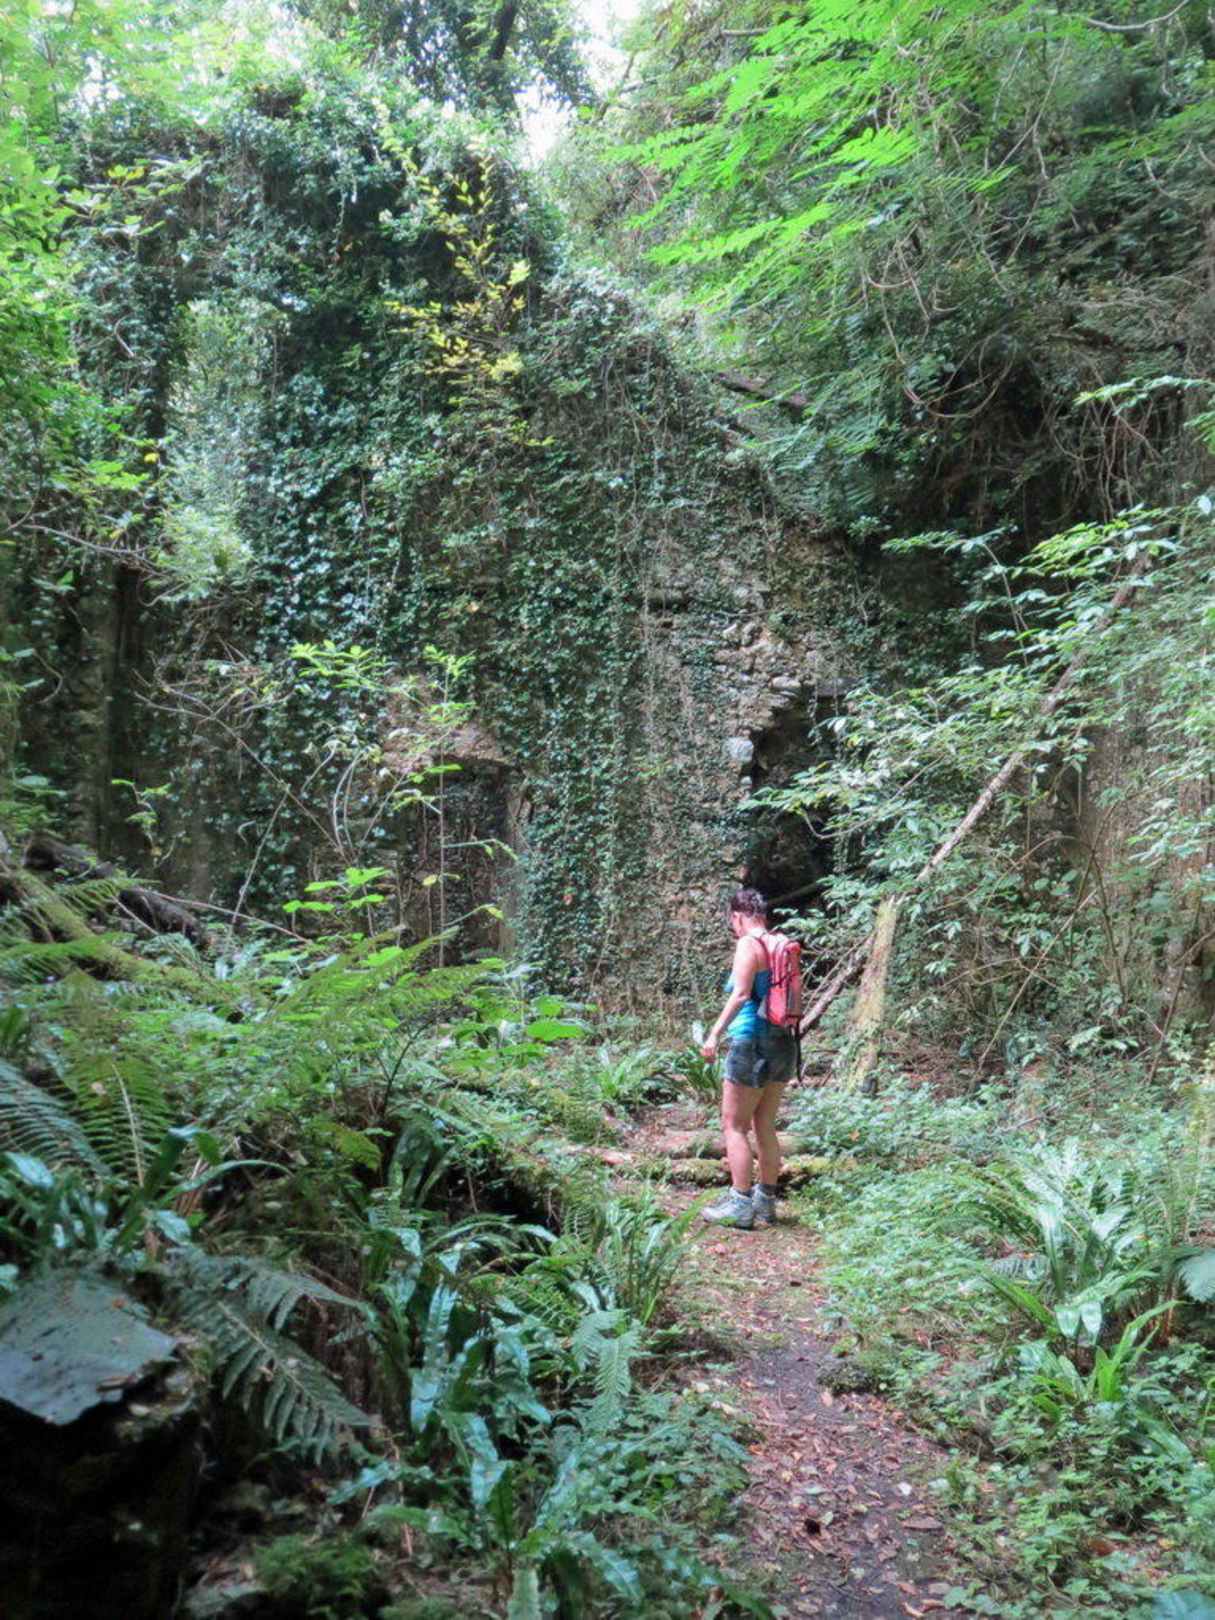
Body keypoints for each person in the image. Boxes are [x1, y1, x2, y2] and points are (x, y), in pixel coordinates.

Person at [699, 887, 797, 1229]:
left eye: (733, 922)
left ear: (738, 916)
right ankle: (765, 1202)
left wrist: (714, 1034)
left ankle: (740, 1204)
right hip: (783, 1042)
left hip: (751, 1042)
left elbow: (741, 994)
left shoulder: (748, 945)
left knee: (734, 1126)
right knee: (765, 1124)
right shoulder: (780, 944)